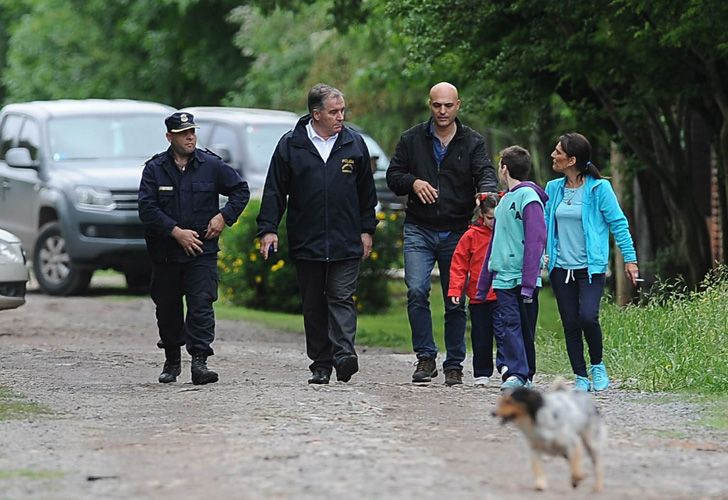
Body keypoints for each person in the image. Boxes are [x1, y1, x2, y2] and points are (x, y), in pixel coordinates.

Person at [257, 83, 377, 385]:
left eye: (342, 111)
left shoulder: (354, 144)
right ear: (316, 114)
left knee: (341, 296)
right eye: (334, 112)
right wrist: (268, 229)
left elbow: (367, 193)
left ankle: (344, 354)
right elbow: (274, 190)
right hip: (306, 237)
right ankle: (321, 363)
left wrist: (367, 230)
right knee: (313, 303)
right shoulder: (291, 145)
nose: (341, 117)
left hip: (346, 236)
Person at [387, 82, 497, 385]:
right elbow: (393, 176)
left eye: (448, 105)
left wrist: (486, 193)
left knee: (455, 299)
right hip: (419, 229)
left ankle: (454, 363)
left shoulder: (472, 141)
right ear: (429, 105)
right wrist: (414, 183)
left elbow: (484, 171)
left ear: (458, 105)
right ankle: (425, 358)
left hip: (458, 231)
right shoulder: (411, 139)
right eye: (437, 105)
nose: (443, 111)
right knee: (417, 291)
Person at [138, 112, 249, 385]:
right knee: (167, 307)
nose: (190, 137)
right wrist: (175, 232)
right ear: (170, 137)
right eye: (183, 133)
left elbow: (240, 190)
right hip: (166, 252)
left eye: (192, 132)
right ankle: (172, 359)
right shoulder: (155, 169)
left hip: (201, 251)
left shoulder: (210, 165)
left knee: (201, 305)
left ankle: (200, 361)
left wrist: (223, 217)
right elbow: (146, 208)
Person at [544, 132, 639, 392]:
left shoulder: (599, 189)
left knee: (588, 317)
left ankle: (597, 366)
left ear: (571, 159)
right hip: (561, 269)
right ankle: (581, 376)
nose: (553, 155)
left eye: (558, 152)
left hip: (590, 268)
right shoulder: (553, 189)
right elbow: (542, 226)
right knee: (570, 323)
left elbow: (618, 224)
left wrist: (630, 260)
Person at [476, 145, 547, 391]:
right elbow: (495, 243)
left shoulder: (529, 198)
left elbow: (536, 240)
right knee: (509, 325)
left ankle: (526, 373)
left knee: (525, 328)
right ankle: (517, 373)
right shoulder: (504, 201)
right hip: (504, 277)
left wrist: (529, 282)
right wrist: (483, 283)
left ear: (504, 168)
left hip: (524, 279)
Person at [447, 194, 499, 386]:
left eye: (497, 218)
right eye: (490, 218)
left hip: (503, 293)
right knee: (481, 336)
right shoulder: (471, 235)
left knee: (506, 334)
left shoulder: (508, 232)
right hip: (479, 296)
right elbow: (459, 264)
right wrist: (455, 290)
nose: (494, 223)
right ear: (482, 216)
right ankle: (482, 373)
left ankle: (508, 368)